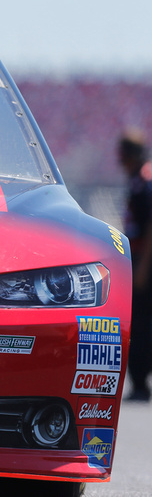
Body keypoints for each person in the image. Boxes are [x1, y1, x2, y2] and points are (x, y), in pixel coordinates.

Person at [117, 129, 152, 401]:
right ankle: (139, 382)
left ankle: (141, 383)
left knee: (140, 322)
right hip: (138, 257)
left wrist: (141, 268)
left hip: (145, 260)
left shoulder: (146, 180)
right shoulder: (136, 180)